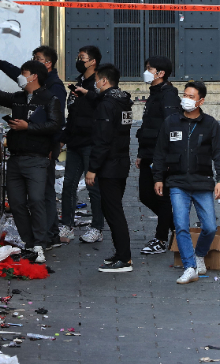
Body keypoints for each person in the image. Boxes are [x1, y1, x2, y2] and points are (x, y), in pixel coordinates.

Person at [0, 60, 63, 264]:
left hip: (37, 159)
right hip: (15, 159)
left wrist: (28, 127)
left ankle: (40, 244)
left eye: (23, 73)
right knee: (16, 203)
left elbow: (55, 125)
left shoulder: (49, 99)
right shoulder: (18, 98)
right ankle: (29, 242)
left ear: (33, 76)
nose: (20, 77)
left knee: (36, 200)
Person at [152, 81, 220, 285]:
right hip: (177, 183)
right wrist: (158, 178)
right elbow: (160, 152)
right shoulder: (171, 122)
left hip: (202, 183)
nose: (186, 99)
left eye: (191, 96)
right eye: (184, 95)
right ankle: (189, 267)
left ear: (201, 100)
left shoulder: (210, 124)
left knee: (210, 227)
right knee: (181, 225)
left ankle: (199, 255)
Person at [85, 64, 134, 272]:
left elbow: (103, 140)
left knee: (113, 211)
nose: (95, 84)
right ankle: (120, 253)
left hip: (110, 165)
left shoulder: (107, 105)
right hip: (121, 162)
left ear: (104, 81)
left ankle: (124, 258)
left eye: (97, 80)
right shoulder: (123, 101)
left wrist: (92, 168)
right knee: (112, 209)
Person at [58, 46, 105, 243]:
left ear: (93, 61)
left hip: (91, 143)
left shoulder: (98, 83)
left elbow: (104, 105)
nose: (79, 61)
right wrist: (64, 138)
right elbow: (72, 114)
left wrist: (88, 94)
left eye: (82, 58)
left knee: (92, 185)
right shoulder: (78, 83)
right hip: (75, 142)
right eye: (78, 57)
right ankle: (67, 225)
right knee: (68, 184)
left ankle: (97, 227)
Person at [135, 56, 181, 255]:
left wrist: (165, 158)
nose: (146, 72)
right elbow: (148, 126)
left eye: (149, 69)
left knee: (161, 197)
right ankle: (178, 228)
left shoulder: (168, 94)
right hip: (148, 152)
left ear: (160, 73)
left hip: (160, 155)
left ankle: (161, 239)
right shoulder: (154, 93)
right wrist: (140, 153)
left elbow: (171, 127)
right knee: (145, 195)